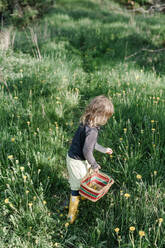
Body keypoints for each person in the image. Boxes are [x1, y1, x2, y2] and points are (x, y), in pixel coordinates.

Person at [66, 95, 114, 224]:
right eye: (106, 117)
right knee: (76, 186)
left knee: (84, 179)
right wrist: (94, 164)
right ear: (100, 115)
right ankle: (71, 215)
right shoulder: (92, 131)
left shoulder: (86, 123)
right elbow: (87, 150)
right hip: (76, 161)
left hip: (77, 158)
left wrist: (104, 150)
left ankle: (82, 196)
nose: (106, 120)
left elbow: (90, 145)